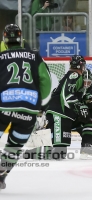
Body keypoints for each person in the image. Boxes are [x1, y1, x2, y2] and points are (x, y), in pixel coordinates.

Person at [22, 58, 92, 160]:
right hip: (60, 114)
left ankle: (86, 147)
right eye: (85, 81)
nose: (86, 84)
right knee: (59, 153)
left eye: (89, 82)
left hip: (74, 117)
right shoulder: (73, 78)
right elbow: (66, 96)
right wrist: (81, 106)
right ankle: (27, 153)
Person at [0, 23, 52, 189]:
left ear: (5, 39)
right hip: (28, 111)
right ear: (21, 39)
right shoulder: (35, 56)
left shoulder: (0, 57)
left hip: (3, 108)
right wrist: (40, 106)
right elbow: (47, 82)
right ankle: (1, 176)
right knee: (14, 147)